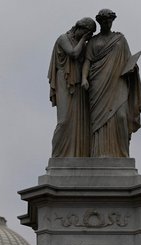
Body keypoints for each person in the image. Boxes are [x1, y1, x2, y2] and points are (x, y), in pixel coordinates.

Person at [81, 9, 141, 158]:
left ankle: (121, 154)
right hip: (98, 83)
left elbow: (128, 59)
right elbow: (87, 62)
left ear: (112, 21)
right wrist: (84, 78)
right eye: (103, 21)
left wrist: (132, 68)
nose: (106, 23)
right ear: (99, 22)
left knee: (121, 116)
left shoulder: (120, 40)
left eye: (109, 21)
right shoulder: (93, 41)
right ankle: (99, 153)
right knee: (98, 120)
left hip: (118, 81)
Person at [48, 17, 96, 158]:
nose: (89, 37)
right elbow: (74, 53)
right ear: (80, 28)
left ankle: (77, 154)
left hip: (78, 84)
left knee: (78, 121)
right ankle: (57, 156)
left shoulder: (83, 44)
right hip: (64, 79)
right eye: (89, 33)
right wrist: (83, 40)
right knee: (64, 120)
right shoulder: (63, 38)